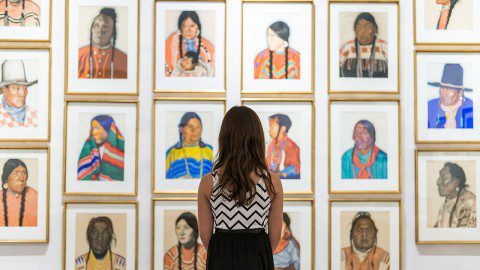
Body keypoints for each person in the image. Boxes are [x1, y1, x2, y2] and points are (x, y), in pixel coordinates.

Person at [197, 106, 284, 270]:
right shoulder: (272, 181)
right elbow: (275, 234)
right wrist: (258, 253)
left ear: (224, 138)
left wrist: (222, 252)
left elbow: (205, 234)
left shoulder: (208, 182)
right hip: (257, 254)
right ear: (257, 137)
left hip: (221, 254)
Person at [78, 7, 128, 79]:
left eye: (105, 27)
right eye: (96, 26)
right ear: (91, 29)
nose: (100, 30)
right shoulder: (79, 55)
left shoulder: (124, 59)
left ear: (112, 32)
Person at [165, 11, 215, 77]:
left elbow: (212, 68)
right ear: (180, 28)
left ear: (198, 27)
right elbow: (166, 69)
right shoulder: (171, 43)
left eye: (192, 26)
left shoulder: (206, 46)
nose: (188, 30)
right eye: (184, 26)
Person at [339, 12, 388, 78]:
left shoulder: (384, 47)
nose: (363, 31)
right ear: (355, 30)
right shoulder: (346, 48)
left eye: (367, 26)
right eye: (359, 26)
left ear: (375, 29)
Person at [166, 112, 213, 179]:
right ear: (181, 129)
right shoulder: (171, 153)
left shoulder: (210, 151)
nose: (195, 131)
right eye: (190, 127)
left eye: (198, 127)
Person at [77, 115, 125, 181]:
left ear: (109, 130)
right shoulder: (89, 151)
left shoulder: (122, 153)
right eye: (93, 128)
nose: (94, 133)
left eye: (97, 128)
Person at [427, 63, 473, 129]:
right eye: (442, 88)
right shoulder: (430, 106)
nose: (444, 93)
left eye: (449, 89)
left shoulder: (470, 107)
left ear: (460, 92)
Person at [435, 162, 476, 228]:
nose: (437, 182)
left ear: (456, 181)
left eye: (443, 177)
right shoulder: (448, 202)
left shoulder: (469, 203)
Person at [0, 60, 38, 127]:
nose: (23, 93)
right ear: (4, 90)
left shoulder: (35, 116)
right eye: (17, 88)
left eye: (25, 88)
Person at [0, 159, 37, 227]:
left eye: (24, 173)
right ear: (6, 178)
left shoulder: (35, 196)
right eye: (15, 172)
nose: (21, 178)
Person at [266, 114, 300, 179]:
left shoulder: (291, 146)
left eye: (272, 127)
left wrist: (280, 174)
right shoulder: (271, 144)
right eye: (269, 127)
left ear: (282, 129)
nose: (269, 130)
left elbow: (296, 168)